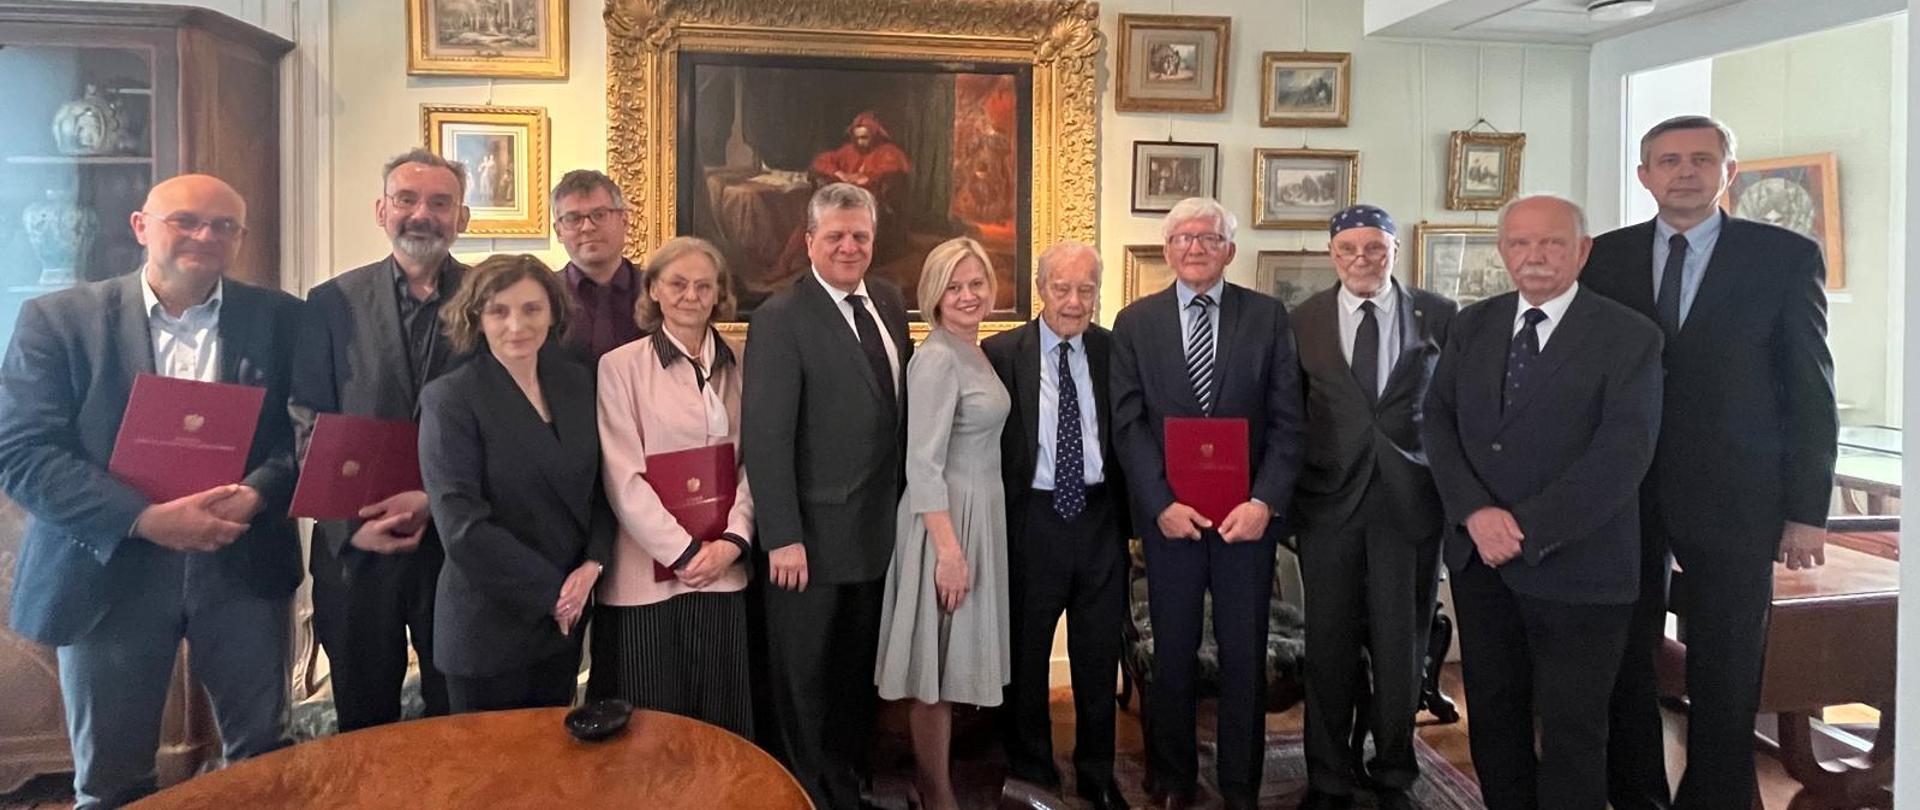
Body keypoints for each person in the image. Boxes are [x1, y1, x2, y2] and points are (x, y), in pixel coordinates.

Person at [0, 174, 301, 809]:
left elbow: (304, 433)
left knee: (265, 767)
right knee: (111, 784)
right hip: (108, 570)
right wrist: (143, 519)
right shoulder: (57, 320)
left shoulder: (280, 318)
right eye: (185, 220)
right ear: (141, 227)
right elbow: (22, 451)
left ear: (240, 238)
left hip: (241, 565)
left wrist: (258, 492)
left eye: (223, 226)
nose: (204, 235)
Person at [1587, 115, 1838, 810]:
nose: (1685, 172)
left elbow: (1811, 389)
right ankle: (1635, 793)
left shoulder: (1782, 258)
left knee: (1729, 664)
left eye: (1703, 159)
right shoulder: (1605, 257)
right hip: (1624, 493)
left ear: (1730, 170)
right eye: (1669, 161)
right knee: (1626, 657)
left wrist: (1806, 512)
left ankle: (1719, 797)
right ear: (1645, 176)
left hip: (1738, 496)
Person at [1422, 195, 1663, 810]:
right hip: (1483, 564)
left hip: (1580, 569)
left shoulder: (1629, 336)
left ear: (1582, 251)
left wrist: (1524, 528)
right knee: (1495, 717)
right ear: (1503, 251)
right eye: (1521, 243)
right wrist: (1476, 514)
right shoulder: (1471, 323)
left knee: (1574, 731)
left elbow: (1621, 458)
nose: (1536, 256)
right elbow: (1438, 423)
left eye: (1553, 243)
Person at [1110, 197, 1306, 810]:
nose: (1195, 247)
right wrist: (1160, 503)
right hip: (1172, 523)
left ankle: (1241, 783)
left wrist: (1264, 502)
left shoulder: (1269, 318)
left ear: (1230, 249)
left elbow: (1288, 423)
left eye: (1209, 237)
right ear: (1167, 250)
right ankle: (1171, 777)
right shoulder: (1135, 322)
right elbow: (1129, 424)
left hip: (1246, 523)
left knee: (1245, 653)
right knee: (1172, 650)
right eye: (1183, 237)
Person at [743, 182, 913, 810]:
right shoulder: (780, 317)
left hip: (876, 533)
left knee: (852, 677)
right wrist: (782, 535)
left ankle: (847, 787)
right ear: (809, 240)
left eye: (860, 236)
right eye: (835, 235)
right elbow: (766, 437)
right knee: (802, 681)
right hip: (807, 544)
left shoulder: (891, 301)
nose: (849, 246)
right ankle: (803, 794)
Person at [289, 148, 470, 731]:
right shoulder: (330, 303)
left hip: (457, 548)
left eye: (440, 203)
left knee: (457, 717)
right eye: (407, 199)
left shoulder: (492, 297)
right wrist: (348, 521)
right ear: (381, 210)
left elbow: (504, 425)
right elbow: (305, 418)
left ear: (462, 218)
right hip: (356, 546)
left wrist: (438, 505)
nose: (422, 214)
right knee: (364, 720)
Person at [1290, 205, 1455, 810]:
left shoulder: (1437, 313)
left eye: (1374, 248)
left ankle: (1394, 773)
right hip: (1327, 505)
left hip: (1408, 506)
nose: (1361, 260)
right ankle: (1328, 777)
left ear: (1394, 248)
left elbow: (1450, 409)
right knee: (1328, 647)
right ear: (1332, 254)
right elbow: (1290, 414)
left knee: (1399, 647)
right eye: (1347, 250)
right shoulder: (1302, 319)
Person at [418, 253, 614, 713]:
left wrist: (595, 563)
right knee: (490, 778)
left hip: (565, 619)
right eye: (499, 311)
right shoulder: (451, 399)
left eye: (531, 309)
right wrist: (555, 594)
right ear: (476, 319)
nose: (516, 325)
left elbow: (603, 487)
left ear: (552, 313)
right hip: (488, 626)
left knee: (551, 767)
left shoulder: (577, 383)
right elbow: (463, 529)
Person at [981, 240, 1131, 810]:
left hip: (1099, 518)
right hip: (1032, 519)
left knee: (1097, 656)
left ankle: (1097, 772)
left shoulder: (1116, 351)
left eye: (1086, 289)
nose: (1074, 301)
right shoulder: (1000, 353)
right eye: (1062, 288)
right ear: (1040, 289)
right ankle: (1033, 770)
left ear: (1098, 291)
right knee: (1026, 654)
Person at [591, 236, 756, 737]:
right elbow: (623, 478)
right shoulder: (619, 367)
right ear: (655, 290)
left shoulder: (743, 362)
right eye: (678, 283)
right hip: (646, 576)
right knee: (653, 728)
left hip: (723, 571)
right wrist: (684, 554)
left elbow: (755, 463)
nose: (691, 295)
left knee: (721, 723)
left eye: (704, 286)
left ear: (718, 295)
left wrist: (731, 542)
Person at [873, 237, 1012, 810]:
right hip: (945, 524)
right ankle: (935, 791)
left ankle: (935, 782)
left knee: (950, 664)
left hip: (980, 512)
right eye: (953, 286)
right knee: (932, 669)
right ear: (933, 293)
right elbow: (922, 464)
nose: (967, 295)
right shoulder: (935, 358)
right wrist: (950, 553)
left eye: (976, 283)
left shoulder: (973, 350)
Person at [552, 169, 644, 367]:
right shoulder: (544, 295)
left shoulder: (657, 292)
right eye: (573, 218)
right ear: (558, 231)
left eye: (599, 215)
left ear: (625, 221)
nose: (587, 227)